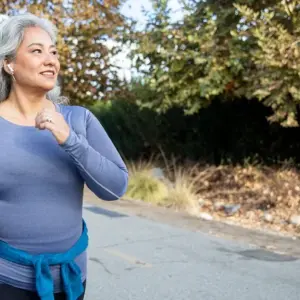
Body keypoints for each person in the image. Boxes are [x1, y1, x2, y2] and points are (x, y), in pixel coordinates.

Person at [0, 12, 128, 300]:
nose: (51, 60)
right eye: (37, 51)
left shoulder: (79, 120)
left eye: (54, 52)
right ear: (8, 64)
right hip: (6, 282)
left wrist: (70, 139)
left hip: (71, 283)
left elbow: (115, 187)